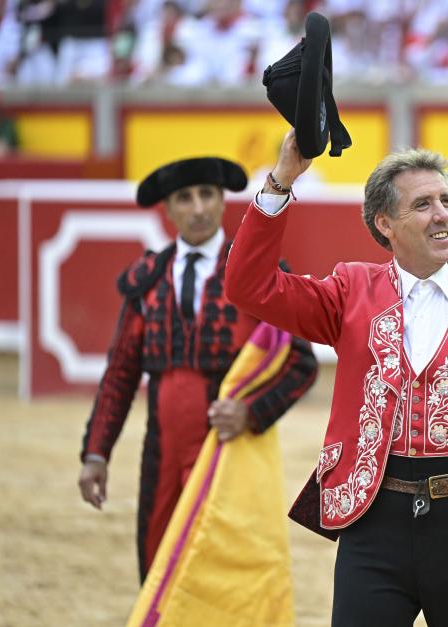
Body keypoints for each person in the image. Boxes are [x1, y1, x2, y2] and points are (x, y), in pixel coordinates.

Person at [224, 131, 448, 626]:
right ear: (385, 223)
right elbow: (249, 286)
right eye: (423, 204)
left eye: (447, 201)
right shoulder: (350, 291)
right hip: (374, 523)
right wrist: (282, 180)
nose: (442, 214)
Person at [77, 156, 318, 581]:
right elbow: (120, 373)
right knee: (158, 563)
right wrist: (97, 452)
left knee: (228, 569)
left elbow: (300, 363)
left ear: (222, 201)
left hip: (231, 449)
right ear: (168, 210)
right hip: (162, 449)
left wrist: (252, 412)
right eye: (184, 199)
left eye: (207, 195)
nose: (199, 208)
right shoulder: (148, 280)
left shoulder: (255, 275)